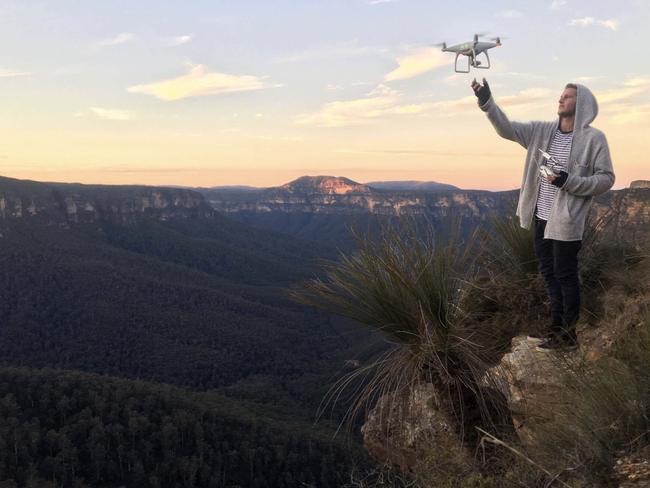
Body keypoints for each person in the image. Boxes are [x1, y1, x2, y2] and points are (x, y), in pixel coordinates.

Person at [471, 78, 615, 351]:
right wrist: (487, 102)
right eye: (561, 96)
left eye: (568, 97)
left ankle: (568, 336)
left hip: (566, 221)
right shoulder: (541, 131)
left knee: (565, 275)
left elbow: (606, 178)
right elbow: (507, 129)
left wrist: (569, 181)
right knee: (549, 274)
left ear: (581, 104)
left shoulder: (593, 139)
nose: (561, 99)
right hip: (541, 217)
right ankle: (556, 328)